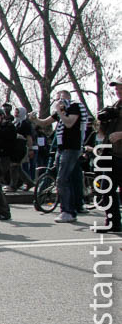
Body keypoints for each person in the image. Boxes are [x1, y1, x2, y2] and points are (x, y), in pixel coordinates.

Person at [29, 91, 84, 223]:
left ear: (68, 98)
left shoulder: (74, 107)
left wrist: (60, 112)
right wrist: (34, 119)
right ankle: (71, 208)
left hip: (71, 148)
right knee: (65, 179)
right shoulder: (60, 111)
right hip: (61, 148)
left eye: (62, 97)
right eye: (57, 97)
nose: (59, 100)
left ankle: (68, 211)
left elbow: (69, 123)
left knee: (62, 179)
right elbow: (44, 123)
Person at [96, 80, 122, 232]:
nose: (118, 90)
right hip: (113, 155)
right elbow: (102, 133)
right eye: (117, 88)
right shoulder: (114, 108)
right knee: (106, 188)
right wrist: (103, 122)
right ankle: (113, 223)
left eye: (121, 88)